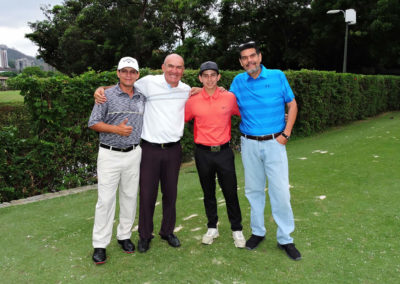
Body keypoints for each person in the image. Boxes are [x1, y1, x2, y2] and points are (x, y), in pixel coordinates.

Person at [94, 54, 190, 253]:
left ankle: (167, 231)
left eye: (179, 67)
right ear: (163, 67)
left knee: (170, 194)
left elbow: (201, 90)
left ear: (183, 70)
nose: (174, 71)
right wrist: (100, 89)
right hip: (149, 149)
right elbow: (124, 85)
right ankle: (145, 235)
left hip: (173, 149)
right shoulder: (148, 83)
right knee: (147, 195)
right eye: (170, 66)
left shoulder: (186, 89)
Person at [230, 41, 301, 260]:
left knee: (280, 191)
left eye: (252, 56)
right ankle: (258, 232)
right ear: (241, 62)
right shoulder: (238, 81)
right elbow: (225, 102)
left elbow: (292, 104)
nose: (249, 60)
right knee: (254, 190)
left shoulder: (278, 76)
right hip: (249, 144)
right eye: (244, 57)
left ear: (260, 57)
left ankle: (285, 238)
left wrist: (286, 133)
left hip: (275, 143)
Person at [88, 57, 145, 264]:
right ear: (118, 73)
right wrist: (116, 130)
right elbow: (93, 123)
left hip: (133, 153)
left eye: (132, 71)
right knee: (105, 200)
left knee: (130, 196)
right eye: (125, 71)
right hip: (109, 154)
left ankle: (124, 236)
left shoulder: (142, 95)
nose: (128, 75)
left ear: (137, 74)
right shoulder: (106, 96)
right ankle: (100, 244)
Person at [185, 61, 246, 248]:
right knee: (208, 192)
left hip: (224, 152)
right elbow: (180, 118)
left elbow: (246, 112)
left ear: (218, 77)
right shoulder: (192, 100)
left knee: (230, 192)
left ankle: (237, 229)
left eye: (213, 75)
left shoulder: (229, 97)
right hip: (203, 153)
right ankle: (212, 227)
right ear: (200, 78)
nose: (210, 79)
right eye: (206, 75)